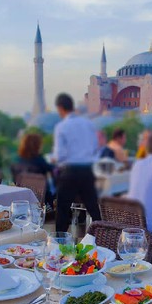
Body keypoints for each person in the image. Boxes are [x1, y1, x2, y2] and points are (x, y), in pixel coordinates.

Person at [51, 93, 102, 232]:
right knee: (93, 209)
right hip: (87, 171)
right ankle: (102, 237)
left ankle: (60, 240)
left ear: (60, 108)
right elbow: (95, 147)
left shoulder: (62, 126)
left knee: (62, 209)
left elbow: (60, 155)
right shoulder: (88, 123)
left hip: (70, 171)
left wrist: (55, 159)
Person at [15, 133, 54, 205]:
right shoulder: (39, 160)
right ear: (37, 146)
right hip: (43, 198)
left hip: (24, 196)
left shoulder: (19, 160)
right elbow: (52, 169)